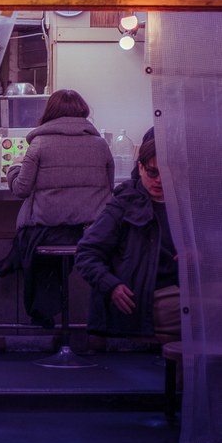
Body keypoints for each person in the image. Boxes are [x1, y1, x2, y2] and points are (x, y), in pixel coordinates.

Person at [0, 89, 114, 327]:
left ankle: (37, 301)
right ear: (83, 113)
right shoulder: (101, 145)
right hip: (90, 234)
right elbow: (108, 188)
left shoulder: (39, 145)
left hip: (47, 231)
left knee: (28, 237)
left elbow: (21, 190)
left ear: (49, 113)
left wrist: (14, 168)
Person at [76, 137, 180, 342]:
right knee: (218, 308)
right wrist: (111, 285)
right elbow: (86, 253)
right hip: (145, 296)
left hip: (175, 289)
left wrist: (199, 255)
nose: (159, 180)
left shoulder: (181, 205)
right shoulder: (124, 204)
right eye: (152, 172)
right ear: (140, 168)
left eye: (166, 173)